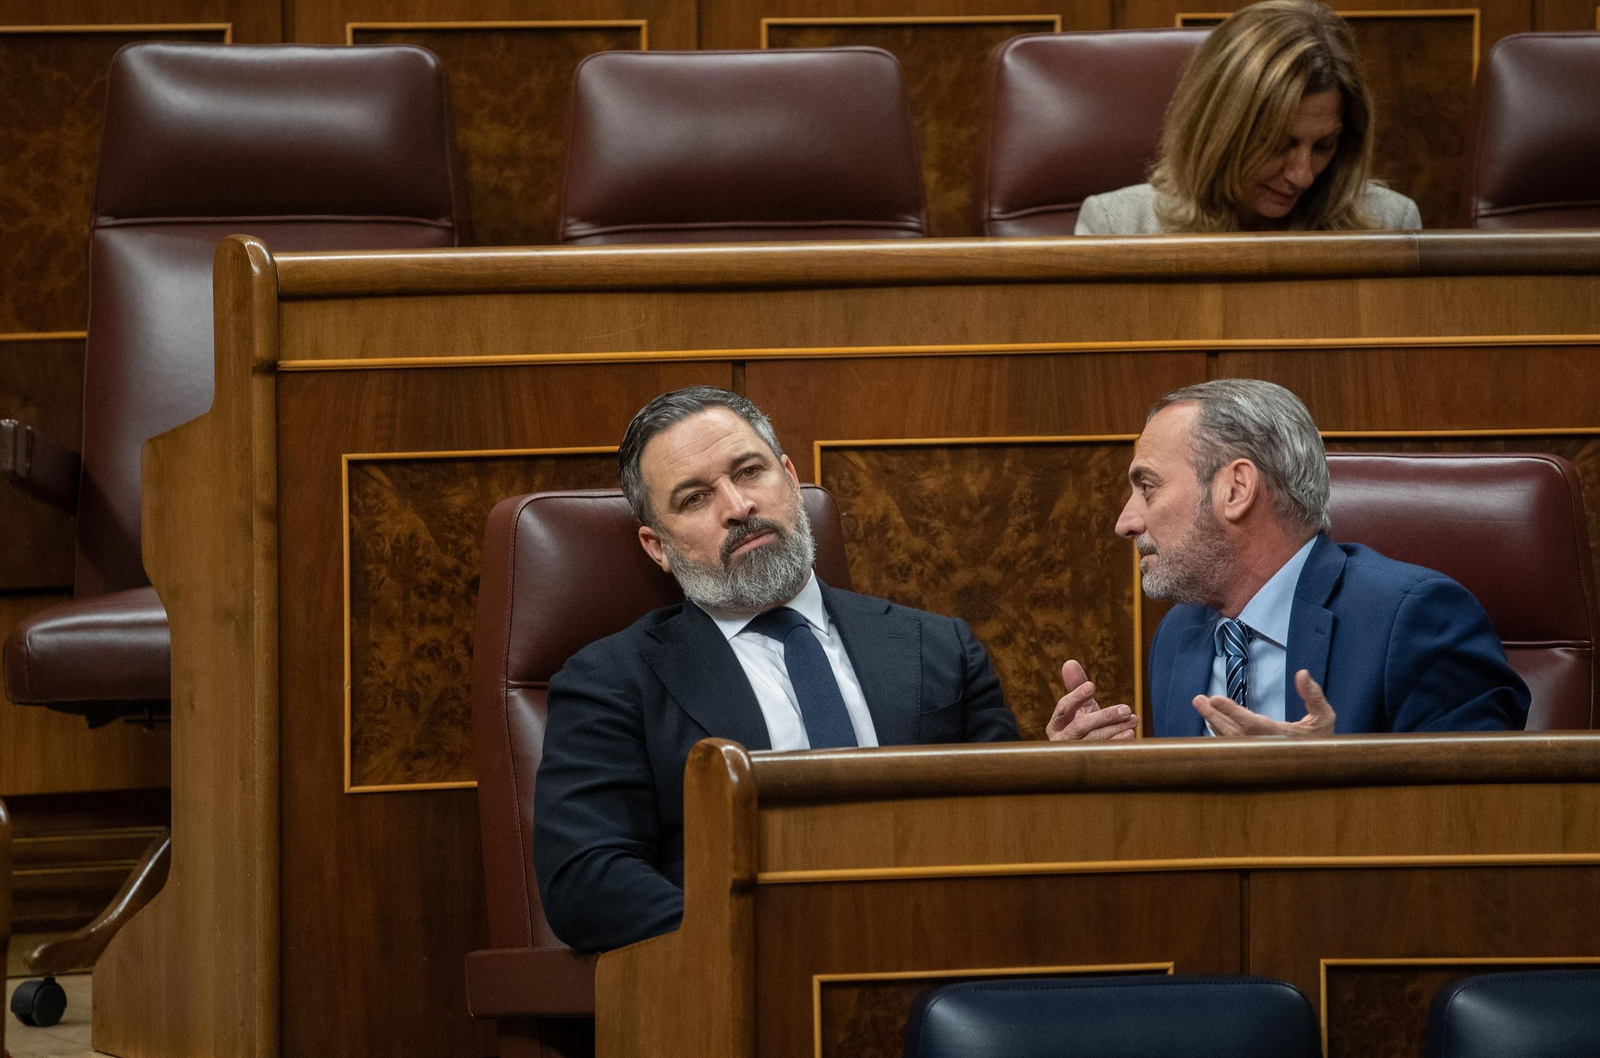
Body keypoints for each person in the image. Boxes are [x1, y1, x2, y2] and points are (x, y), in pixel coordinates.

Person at [534, 387, 1134, 954]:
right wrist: (782, 934)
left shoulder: (937, 646)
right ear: (657, 547)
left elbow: (995, 832)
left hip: (940, 956)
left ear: (790, 480)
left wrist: (1051, 778)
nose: (738, 507)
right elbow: (587, 881)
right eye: (694, 498)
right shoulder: (612, 681)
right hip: (750, 973)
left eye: (750, 472)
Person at [1053, 379, 1529, 738]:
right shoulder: (1180, 635)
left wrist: (1327, 780)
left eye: (1147, 487)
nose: (1126, 521)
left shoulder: (1417, 621)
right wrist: (1101, 784)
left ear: (1236, 489)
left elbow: (1483, 823)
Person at [1075, 0, 1421, 235]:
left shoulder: (1390, 222)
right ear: (1218, 130)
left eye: (1323, 146)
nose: (1302, 177)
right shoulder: (1118, 225)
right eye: (1278, 143)